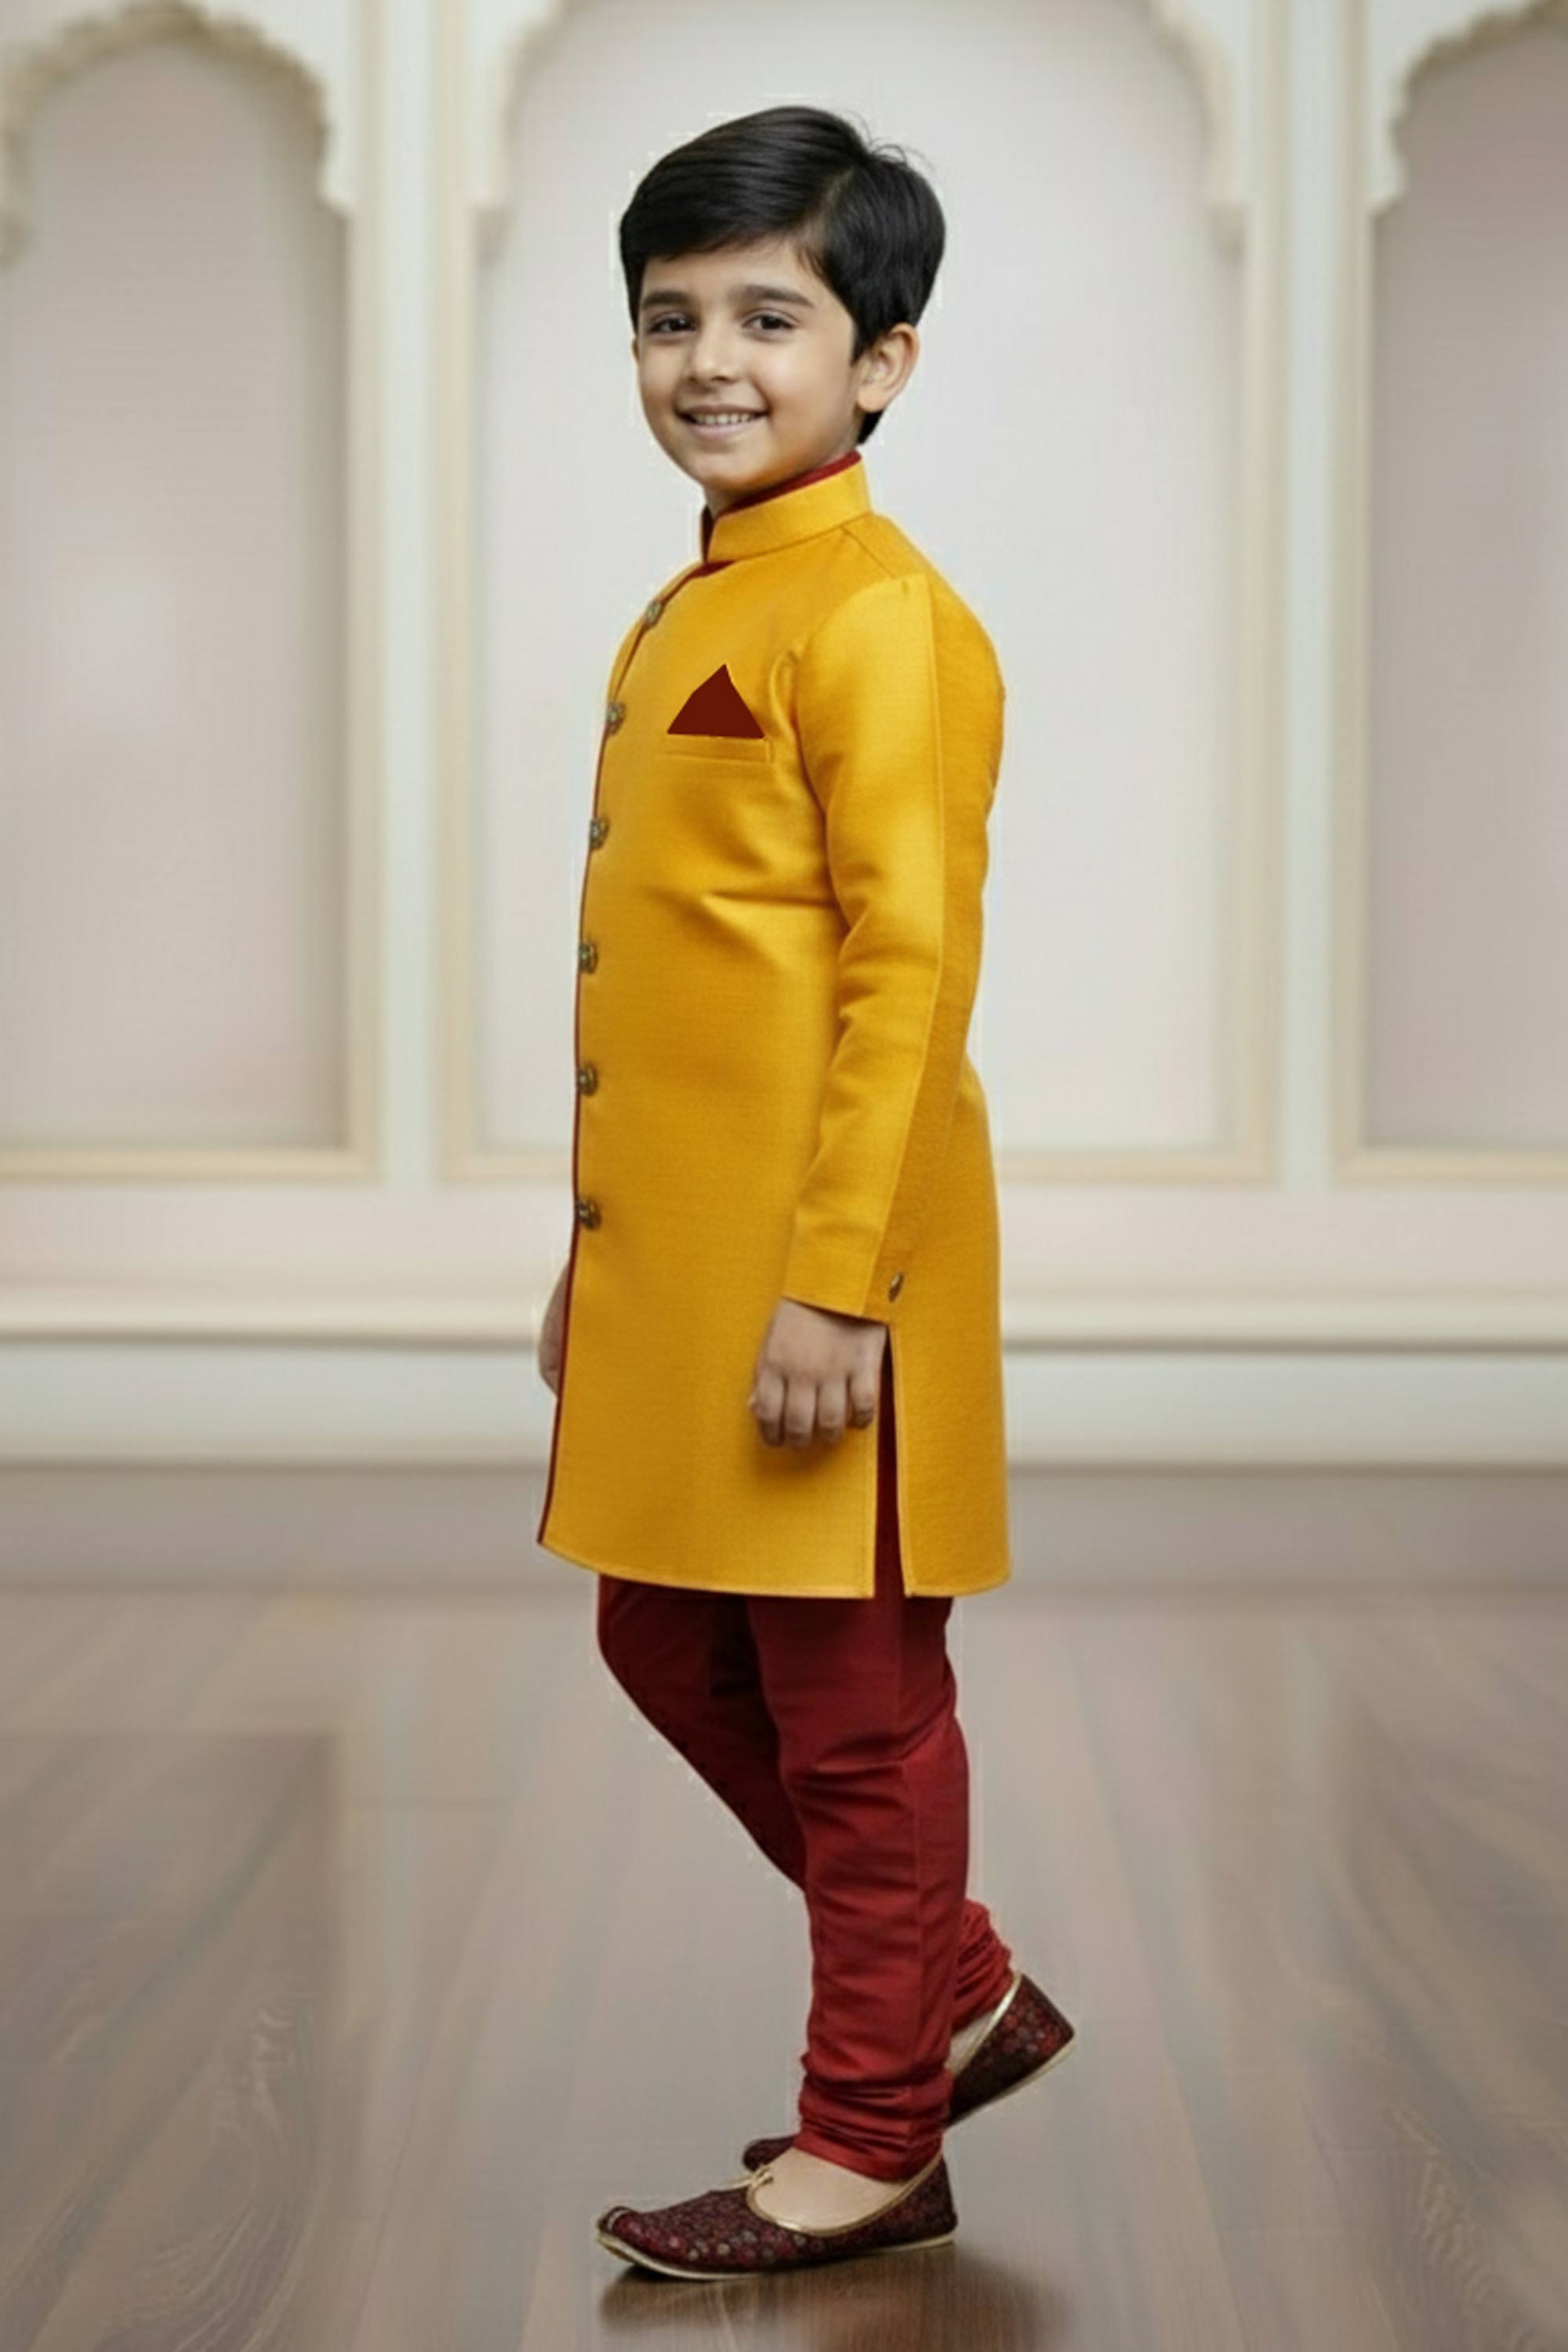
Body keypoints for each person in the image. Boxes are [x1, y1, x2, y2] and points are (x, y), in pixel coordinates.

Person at [533, 103, 1075, 2281]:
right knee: (658, 1628)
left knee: (855, 1712)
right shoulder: (709, 600)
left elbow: (907, 977)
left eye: (771, 316)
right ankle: (955, 1991)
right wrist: (588, 1266)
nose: (711, 361)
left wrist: (843, 1285)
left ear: (884, 359)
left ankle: (871, 2141)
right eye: (670, 318)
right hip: (684, 1272)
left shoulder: (880, 620)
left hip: (832, 1271)